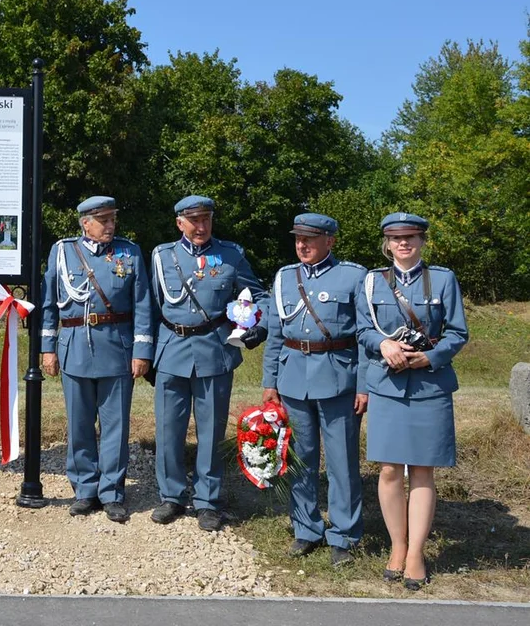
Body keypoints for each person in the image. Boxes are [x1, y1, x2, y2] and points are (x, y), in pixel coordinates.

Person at [356, 212, 468, 590]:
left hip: (429, 386)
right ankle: (397, 546)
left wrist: (430, 357)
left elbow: (457, 332)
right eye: (396, 238)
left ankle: (417, 552)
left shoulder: (443, 279)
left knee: (422, 470)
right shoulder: (372, 282)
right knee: (389, 470)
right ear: (387, 243)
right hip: (388, 385)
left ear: (422, 241)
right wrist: (383, 343)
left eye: (411, 237)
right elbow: (362, 329)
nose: (403, 243)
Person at [148, 195, 268, 531]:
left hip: (215, 351)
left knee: (212, 431)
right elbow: (152, 307)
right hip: (172, 350)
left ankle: (208, 500)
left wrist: (258, 326)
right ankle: (170, 495)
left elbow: (257, 296)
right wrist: (147, 353)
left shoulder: (231, 254)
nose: (201, 227)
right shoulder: (162, 256)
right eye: (194, 220)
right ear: (180, 223)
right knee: (168, 429)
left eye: (206, 220)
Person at [261, 213, 367, 566]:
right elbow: (276, 332)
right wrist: (269, 381)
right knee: (300, 460)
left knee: (342, 462)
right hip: (293, 379)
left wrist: (363, 386)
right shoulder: (284, 278)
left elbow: (365, 338)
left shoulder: (353, 276)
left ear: (330, 241)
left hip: (338, 378)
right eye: (298, 239)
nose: (302, 245)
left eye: (310, 238)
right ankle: (306, 528)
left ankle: (343, 534)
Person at [40, 196, 153, 524]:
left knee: (116, 425)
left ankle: (112, 492)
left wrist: (142, 351)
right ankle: (85, 489)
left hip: (117, 346)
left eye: (112, 219)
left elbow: (143, 304)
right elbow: (49, 304)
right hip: (75, 346)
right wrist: (48, 348)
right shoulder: (63, 251)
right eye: (103, 220)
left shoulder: (129, 252)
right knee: (79, 423)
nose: (110, 225)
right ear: (85, 223)